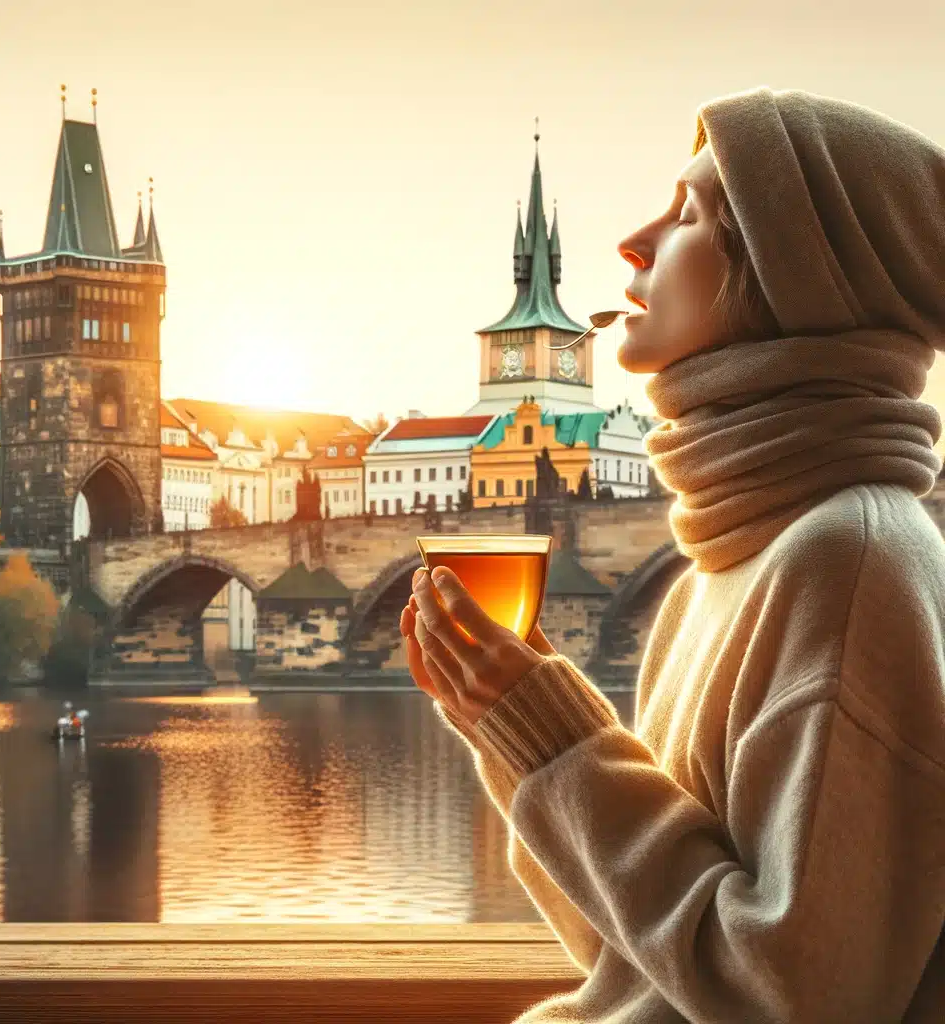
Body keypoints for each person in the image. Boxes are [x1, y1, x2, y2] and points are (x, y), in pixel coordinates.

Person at [400, 86, 945, 1023]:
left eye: (689, 213)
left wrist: (566, 746)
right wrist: (519, 734)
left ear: (793, 280)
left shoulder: (847, 564)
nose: (635, 241)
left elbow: (801, 1002)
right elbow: (647, 958)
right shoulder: (723, 566)